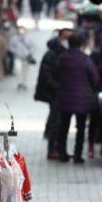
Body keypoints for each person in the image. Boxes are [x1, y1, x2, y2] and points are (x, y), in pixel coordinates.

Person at [56, 33, 99, 163]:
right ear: (81, 44)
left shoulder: (62, 58)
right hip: (82, 99)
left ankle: (62, 154)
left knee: (64, 126)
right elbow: (95, 77)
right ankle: (77, 155)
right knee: (80, 128)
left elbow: (56, 73)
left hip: (64, 97)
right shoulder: (85, 59)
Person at [34, 28, 74, 159]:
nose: (67, 40)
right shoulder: (51, 54)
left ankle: (61, 149)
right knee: (56, 121)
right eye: (65, 37)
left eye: (70, 38)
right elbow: (45, 76)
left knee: (63, 122)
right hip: (55, 93)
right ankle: (52, 149)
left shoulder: (70, 53)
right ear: (59, 38)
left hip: (65, 93)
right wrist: (59, 87)